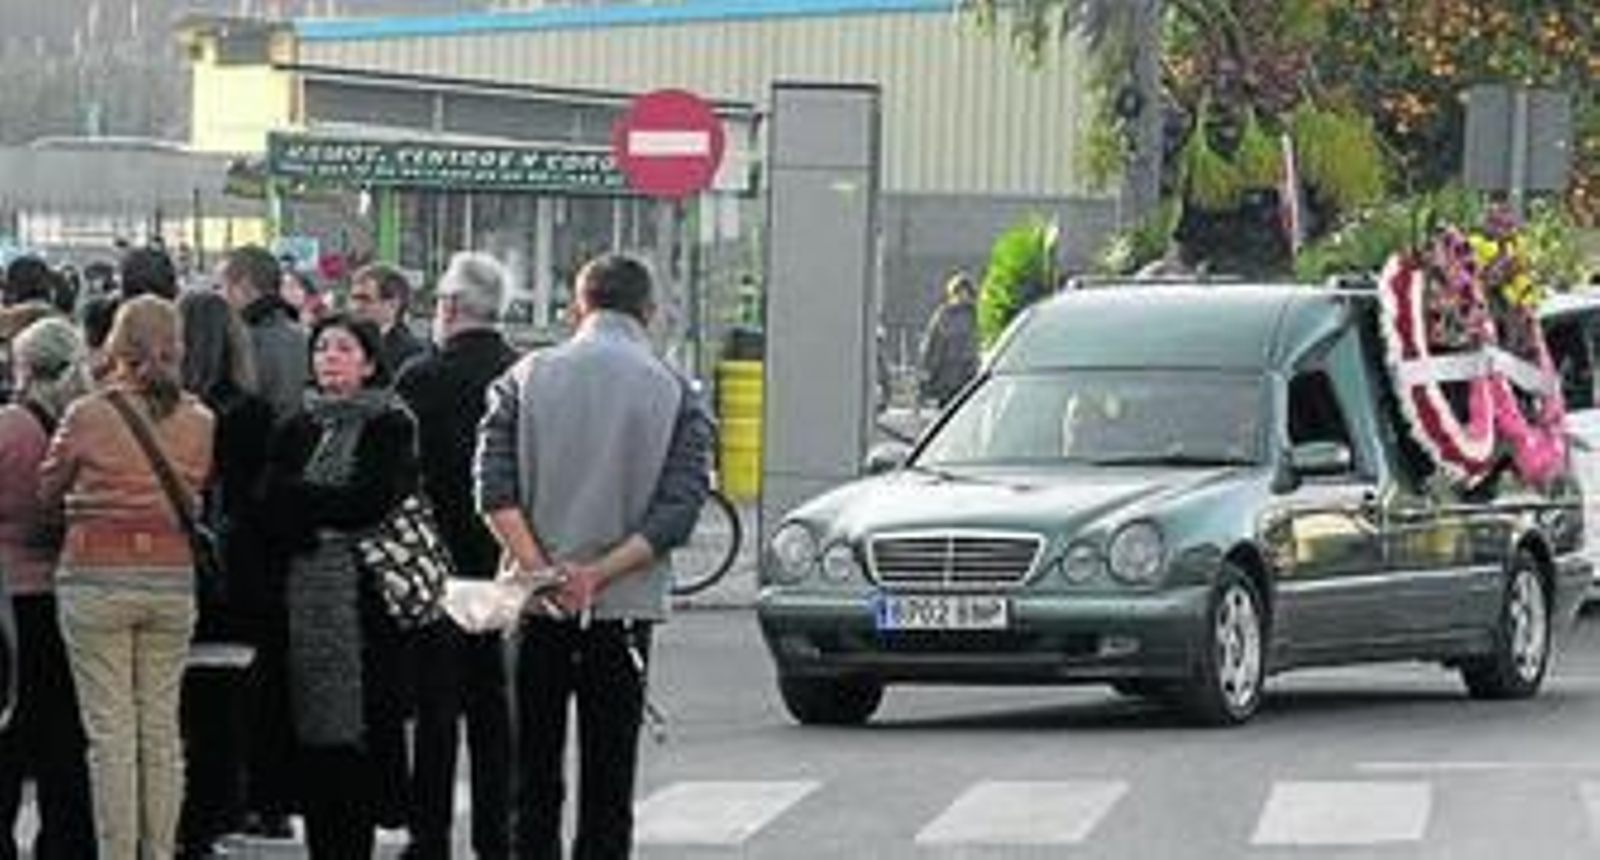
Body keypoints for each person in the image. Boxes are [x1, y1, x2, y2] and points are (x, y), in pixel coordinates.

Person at [475, 253, 712, 860]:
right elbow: (678, 510)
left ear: (577, 306)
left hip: (536, 604)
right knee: (609, 781)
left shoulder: (523, 377)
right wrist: (597, 574)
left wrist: (542, 571)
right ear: (648, 311)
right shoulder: (675, 391)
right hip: (623, 607)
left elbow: (492, 490)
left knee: (531, 775)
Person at [39, 296, 216, 860]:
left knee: (110, 734)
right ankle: (158, 851)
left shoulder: (87, 414)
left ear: (117, 344)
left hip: (95, 577)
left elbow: (47, 491)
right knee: (160, 729)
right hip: (171, 579)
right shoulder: (201, 420)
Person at [258, 313, 418, 859]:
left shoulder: (390, 425)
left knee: (359, 738)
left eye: (344, 348)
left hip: (366, 606)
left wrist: (301, 502)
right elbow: (266, 503)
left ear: (369, 363)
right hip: (299, 603)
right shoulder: (295, 425)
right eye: (322, 347)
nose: (329, 357)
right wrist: (314, 512)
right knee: (308, 735)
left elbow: (368, 503)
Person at [394, 252, 518, 860]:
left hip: (435, 562)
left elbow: (399, 474)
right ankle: (497, 835)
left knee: (436, 710)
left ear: (449, 306)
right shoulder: (522, 374)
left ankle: (431, 837)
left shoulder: (420, 379)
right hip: (503, 559)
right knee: (494, 706)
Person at [173, 290, 276, 859]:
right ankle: (209, 821)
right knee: (222, 706)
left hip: (166, 565)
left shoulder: (161, 409)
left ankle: (164, 817)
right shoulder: (253, 413)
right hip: (233, 573)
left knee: (167, 704)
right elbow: (258, 498)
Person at [0, 318, 97, 860]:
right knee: (63, 733)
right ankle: (67, 845)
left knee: (8, 730)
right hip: (68, 590)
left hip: (9, 597)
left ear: (23, 366)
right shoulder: (84, 423)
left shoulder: (10, 426)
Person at [219, 245, 309, 422]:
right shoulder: (305, 336)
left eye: (221, 285)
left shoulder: (240, 340)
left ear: (243, 284)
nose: (221, 295)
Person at [349, 263, 427, 378]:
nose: (355, 307)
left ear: (393, 305)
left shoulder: (414, 355)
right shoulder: (342, 345)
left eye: (365, 299)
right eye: (353, 299)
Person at [918, 272, 980, 408]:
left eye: (966, 292)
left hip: (968, 373)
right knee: (947, 409)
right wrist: (926, 370)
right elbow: (932, 342)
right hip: (946, 373)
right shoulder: (944, 314)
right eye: (959, 292)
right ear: (952, 294)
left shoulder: (976, 314)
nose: (962, 296)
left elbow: (980, 342)